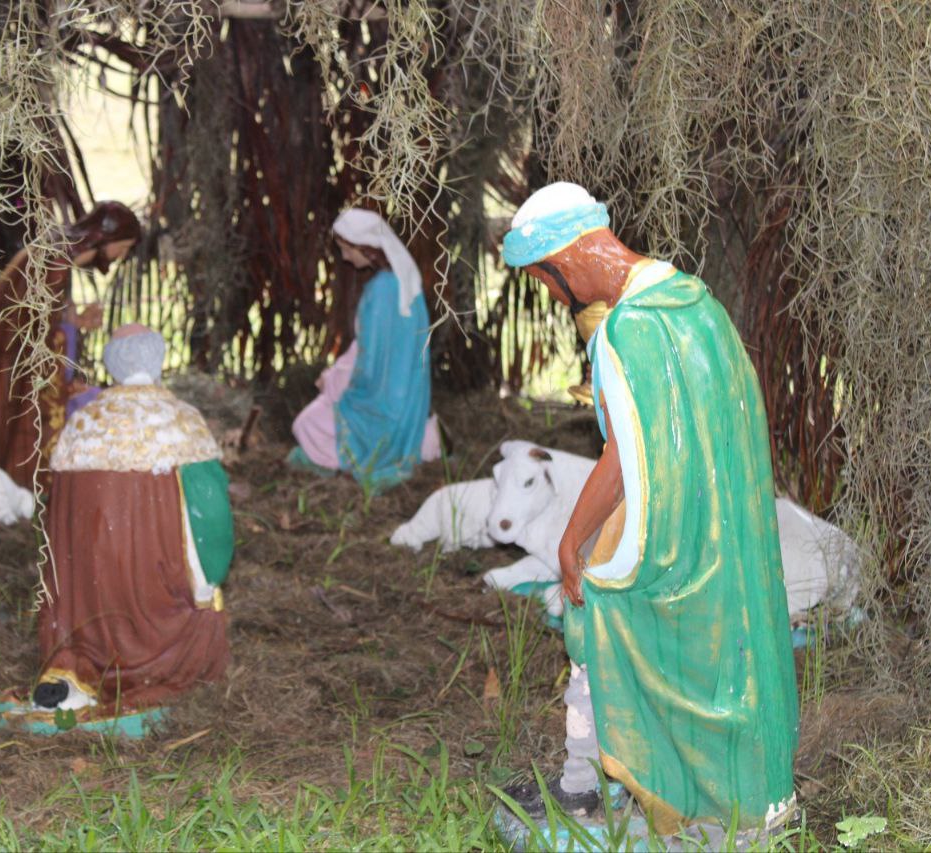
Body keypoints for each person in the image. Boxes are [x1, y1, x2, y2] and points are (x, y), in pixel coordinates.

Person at [495, 183, 798, 833]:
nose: (550, 296)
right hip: (729, 536)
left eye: (543, 281)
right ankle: (744, 798)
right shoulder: (695, 302)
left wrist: (572, 544)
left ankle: (610, 784)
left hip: (674, 542)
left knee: (594, 616)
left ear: (567, 260)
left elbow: (623, 458)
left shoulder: (626, 333)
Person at [26, 324, 234, 718]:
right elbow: (212, 524)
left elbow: (57, 529)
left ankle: (78, 673)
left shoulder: (81, 425)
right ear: (159, 359)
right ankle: (153, 670)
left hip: (86, 607)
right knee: (206, 614)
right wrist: (206, 583)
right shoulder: (182, 422)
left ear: (110, 364)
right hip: (160, 607)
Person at [0, 201, 141, 488]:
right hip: (16, 364)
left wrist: (76, 319)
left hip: (11, 358)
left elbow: (43, 316)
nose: (119, 256)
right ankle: (30, 484)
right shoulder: (57, 264)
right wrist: (66, 386)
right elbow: (40, 335)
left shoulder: (57, 254)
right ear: (104, 238)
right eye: (121, 248)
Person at [289, 209, 441, 491]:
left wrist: (332, 380)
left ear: (366, 248)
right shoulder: (406, 283)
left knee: (306, 424)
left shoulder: (382, 290)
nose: (346, 257)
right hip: (406, 397)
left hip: (378, 401)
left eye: (347, 250)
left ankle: (358, 459)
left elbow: (369, 361)